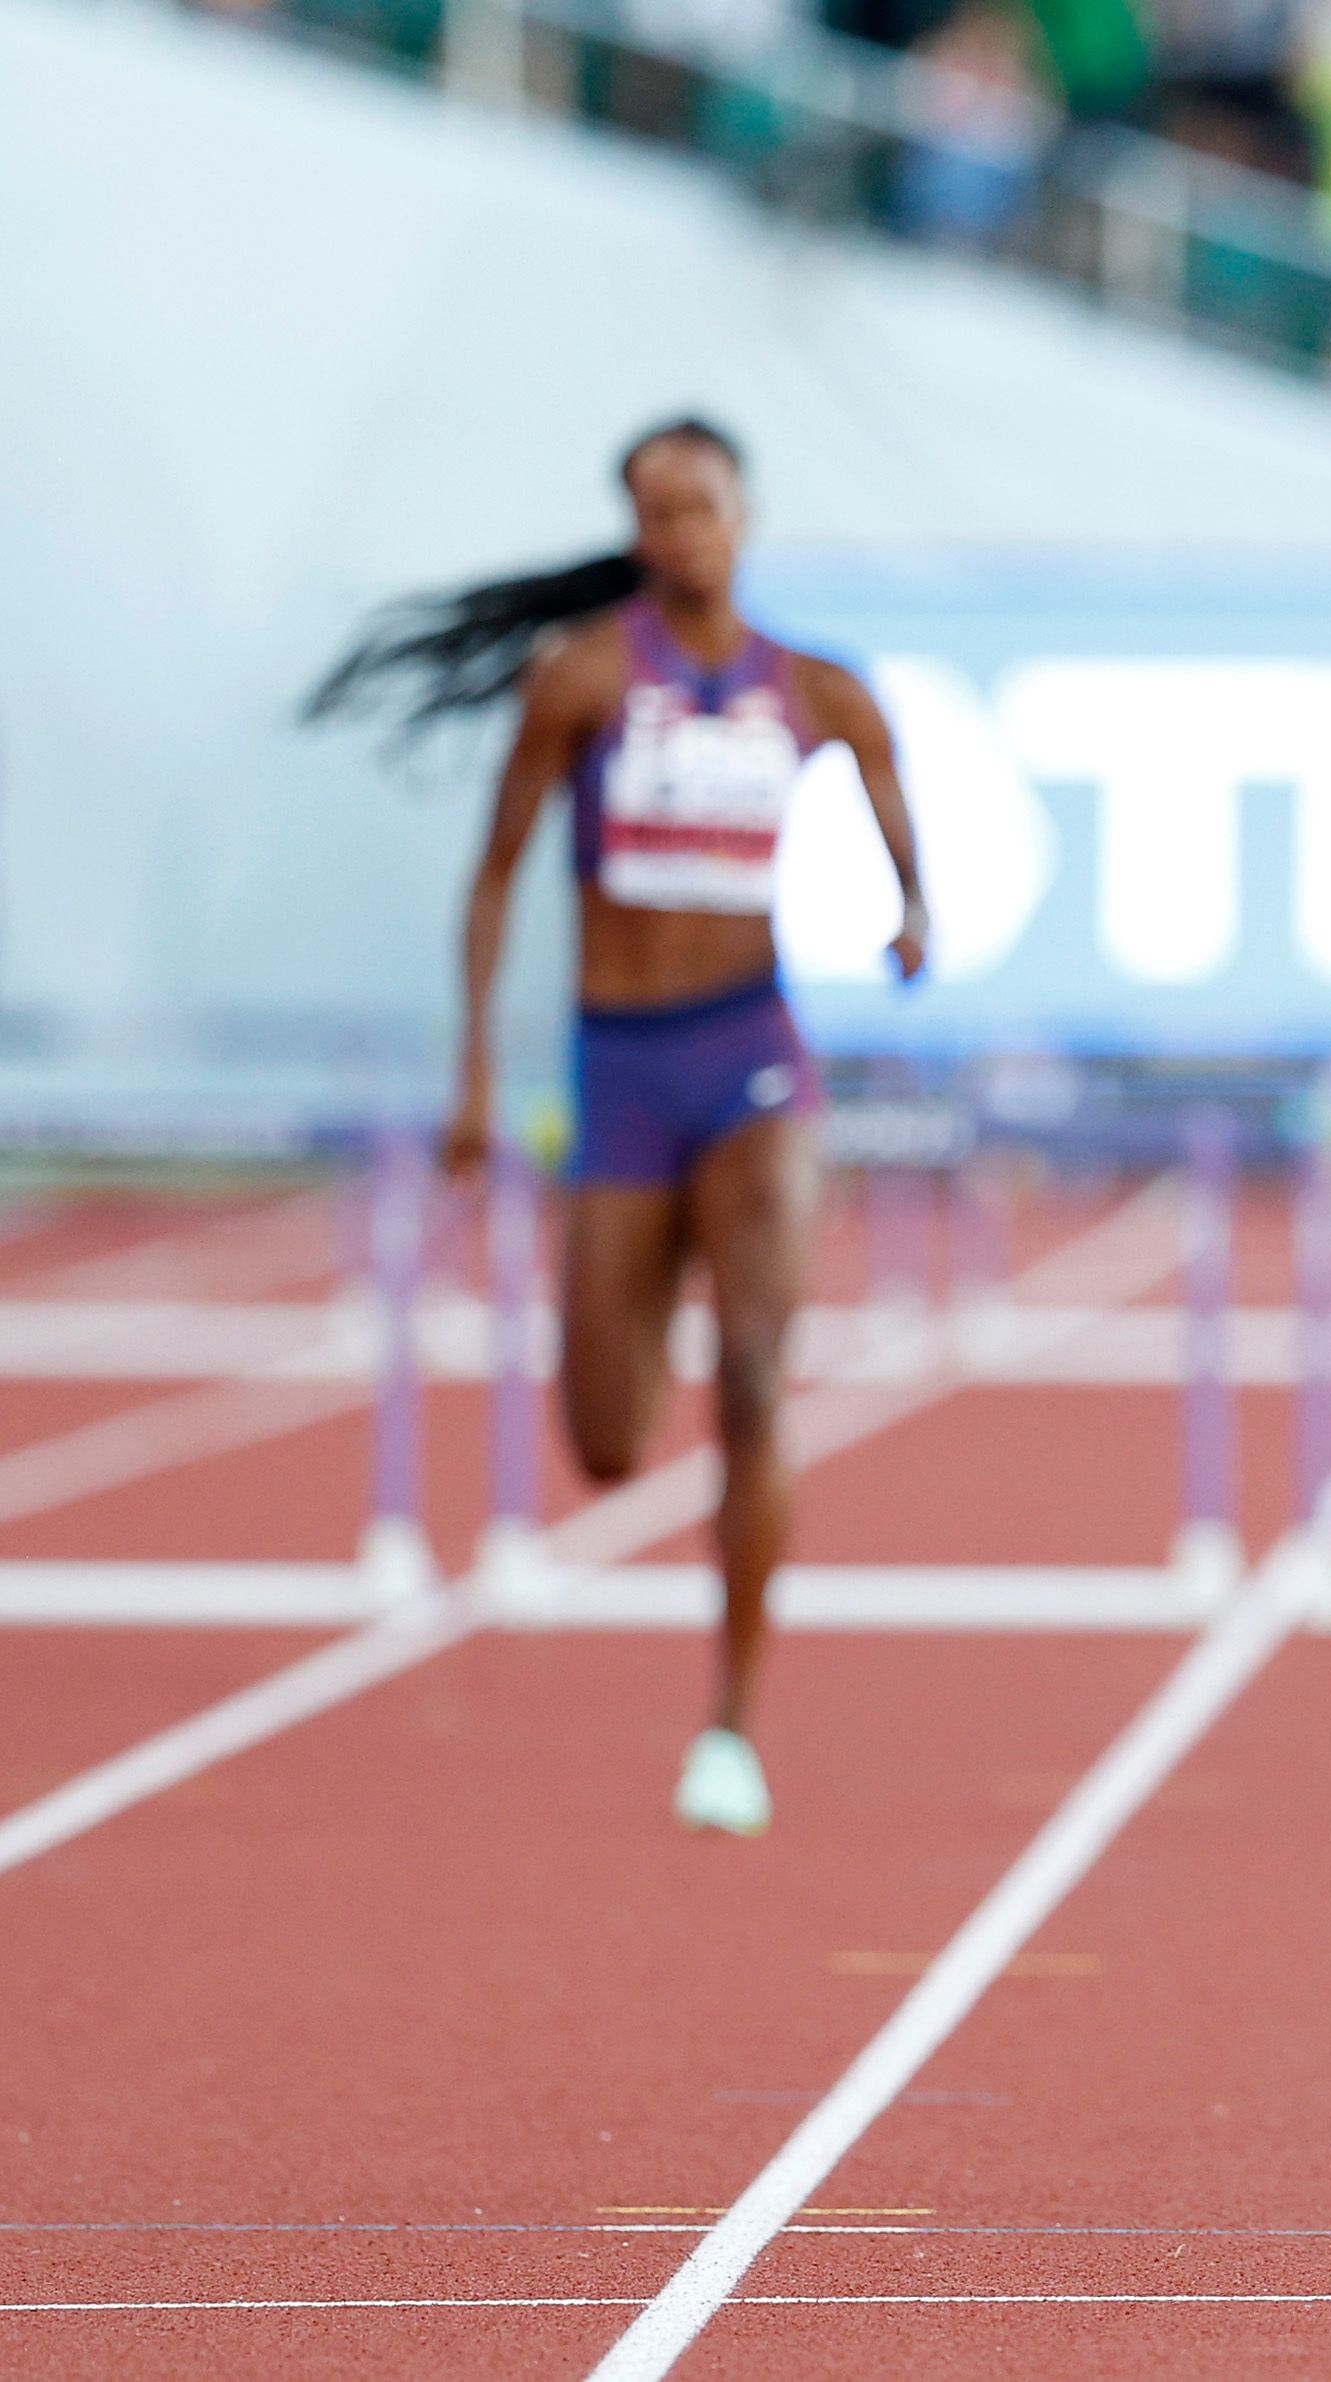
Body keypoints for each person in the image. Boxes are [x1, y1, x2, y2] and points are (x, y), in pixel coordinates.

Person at [310, 419, 928, 1837]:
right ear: (635, 532)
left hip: (753, 1060)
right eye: (654, 513)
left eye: (699, 506)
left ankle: (731, 1724)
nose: (679, 533)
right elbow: (495, 875)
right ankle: (641, 1316)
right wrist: (474, 1074)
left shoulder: (818, 690)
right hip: (621, 1072)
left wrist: (913, 911)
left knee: (762, 1380)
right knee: (602, 1440)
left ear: (743, 513)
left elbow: (895, 809)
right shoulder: (583, 677)